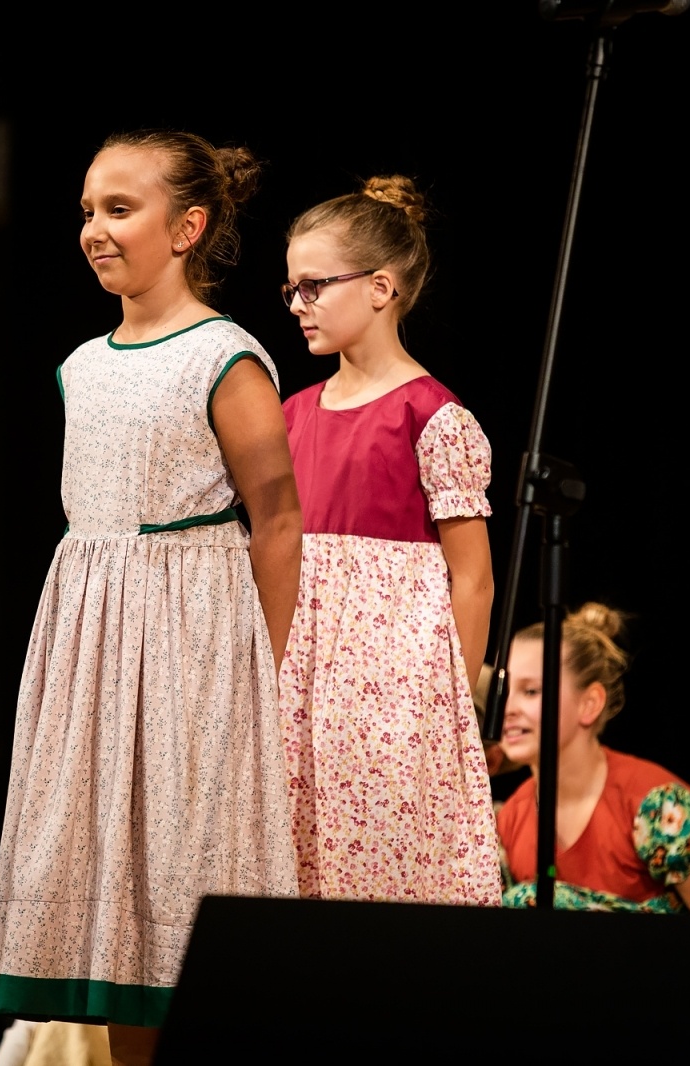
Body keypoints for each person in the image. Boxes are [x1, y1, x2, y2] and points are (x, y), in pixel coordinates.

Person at [0, 130, 302, 1065]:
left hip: (192, 643)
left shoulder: (224, 356)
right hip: (93, 642)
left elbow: (277, 523)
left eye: (120, 209)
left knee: (182, 884)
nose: (95, 229)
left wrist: (259, 673)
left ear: (188, 226)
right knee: (117, 910)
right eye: (87, 210)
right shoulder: (82, 363)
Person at [278, 176, 500, 904]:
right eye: (291, 290)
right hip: (297, 686)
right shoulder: (291, 414)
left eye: (314, 286)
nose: (298, 305)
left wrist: (450, 705)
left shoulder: (431, 417)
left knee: (377, 885)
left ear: (380, 288)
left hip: (395, 702)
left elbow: (473, 579)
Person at [494, 603, 690, 914]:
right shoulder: (509, 820)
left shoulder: (660, 806)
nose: (508, 709)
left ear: (590, 703)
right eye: (504, 690)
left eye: (531, 691)